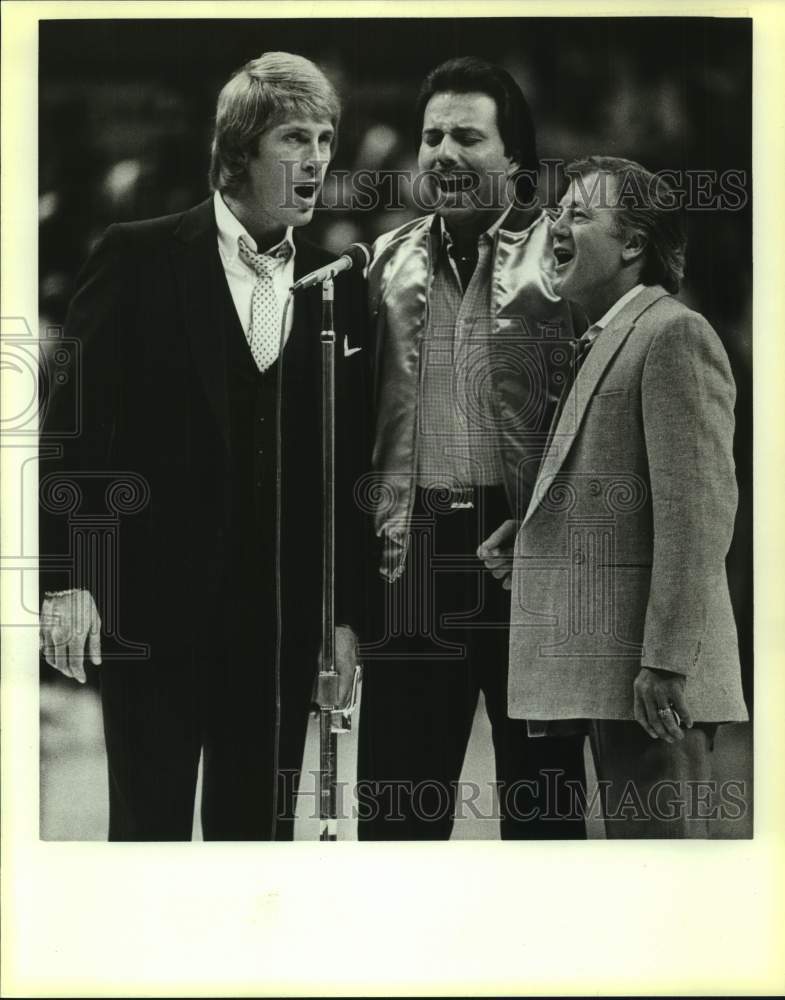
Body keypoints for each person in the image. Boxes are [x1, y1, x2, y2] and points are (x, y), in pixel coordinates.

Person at [39, 52, 369, 841]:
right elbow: (73, 430)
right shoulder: (139, 253)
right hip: (154, 610)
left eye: (325, 138)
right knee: (145, 834)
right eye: (294, 137)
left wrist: (346, 615)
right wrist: (67, 580)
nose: (316, 158)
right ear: (237, 152)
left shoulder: (335, 283)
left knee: (253, 840)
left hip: (279, 625)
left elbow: (345, 464)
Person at [358, 56, 587, 840]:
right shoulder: (385, 265)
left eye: (466, 136)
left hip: (526, 552)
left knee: (543, 809)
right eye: (431, 137)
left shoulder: (560, 261)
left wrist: (547, 530)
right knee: (397, 810)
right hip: (413, 553)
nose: (443, 154)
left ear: (514, 163)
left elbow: (599, 424)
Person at [489, 156, 748, 837]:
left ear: (633, 244)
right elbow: (628, 493)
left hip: (653, 683)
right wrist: (537, 530)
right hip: (618, 676)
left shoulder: (672, 334)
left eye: (577, 213)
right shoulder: (608, 336)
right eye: (555, 212)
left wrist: (665, 662)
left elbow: (697, 518)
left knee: (664, 885)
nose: (556, 226)